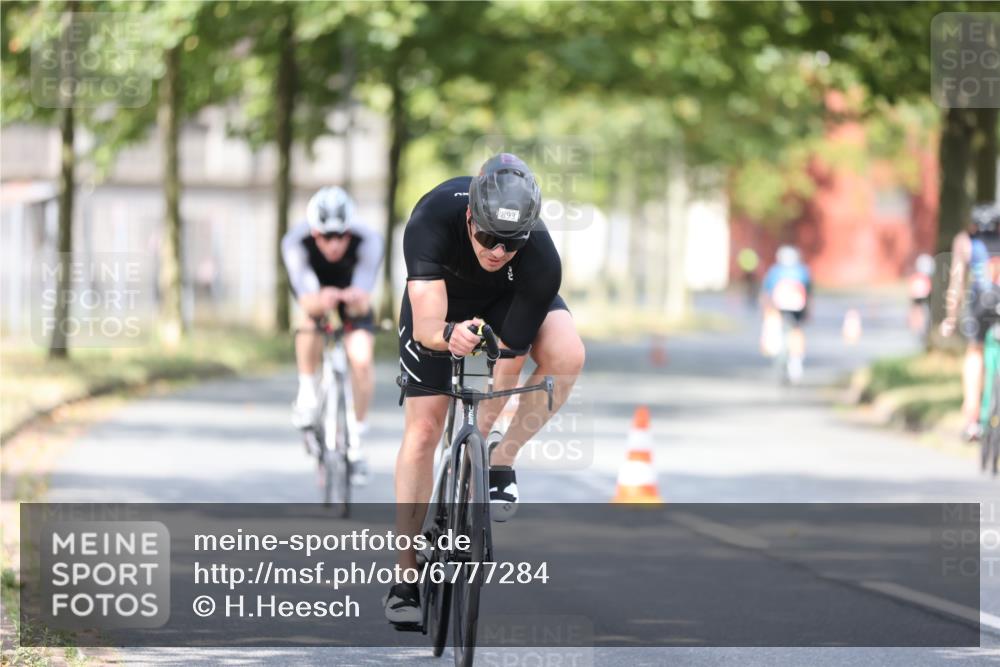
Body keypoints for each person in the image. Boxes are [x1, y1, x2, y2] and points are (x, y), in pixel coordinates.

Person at [382, 154, 586, 624]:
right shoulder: (432, 219)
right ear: (470, 216)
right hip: (443, 305)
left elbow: (508, 364)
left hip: (509, 301)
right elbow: (428, 325)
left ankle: (500, 460)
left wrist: (483, 436)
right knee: (424, 431)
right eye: (488, 237)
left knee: (568, 354)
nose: (497, 251)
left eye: (510, 243)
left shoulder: (540, 260)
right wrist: (449, 335)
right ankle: (406, 576)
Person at [281, 186, 384, 482]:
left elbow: (363, 297)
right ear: (315, 234)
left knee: (361, 360)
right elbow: (306, 297)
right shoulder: (295, 242)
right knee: (310, 318)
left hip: (353, 294)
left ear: (350, 232)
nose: (335, 244)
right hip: (316, 291)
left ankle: (356, 440)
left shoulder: (369, 239)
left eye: (341, 235)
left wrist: (353, 296)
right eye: (327, 236)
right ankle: (308, 391)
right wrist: (322, 297)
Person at [940, 202, 1000, 441]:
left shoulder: (965, 241)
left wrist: (950, 318)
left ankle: (972, 418)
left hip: (979, 306)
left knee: (975, 352)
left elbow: (956, 284)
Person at [761, 245, 812, 383]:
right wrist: (809, 310)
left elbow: (767, 291)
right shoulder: (802, 270)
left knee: (782, 331)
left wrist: (766, 308)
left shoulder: (775, 271)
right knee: (796, 331)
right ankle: (795, 361)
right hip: (798, 307)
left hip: (780, 307)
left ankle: (784, 357)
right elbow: (808, 292)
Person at [907, 253, 935, 340]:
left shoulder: (919, 278)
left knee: (921, 312)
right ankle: (918, 329)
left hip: (921, 300)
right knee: (918, 312)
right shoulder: (920, 278)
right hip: (919, 300)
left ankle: (919, 329)